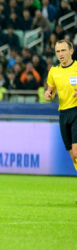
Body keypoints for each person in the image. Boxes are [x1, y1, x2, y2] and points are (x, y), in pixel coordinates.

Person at [44, 40, 77, 181]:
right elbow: (50, 92)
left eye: (63, 50)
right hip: (63, 114)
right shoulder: (54, 71)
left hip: (76, 111)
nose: (60, 54)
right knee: (73, 156)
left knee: (76, 152)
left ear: (71, 51)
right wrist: (48, 95)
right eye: (58, 51)